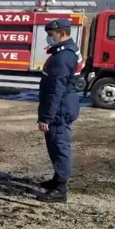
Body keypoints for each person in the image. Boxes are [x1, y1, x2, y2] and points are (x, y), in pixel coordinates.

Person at [37, 18, 82, 203]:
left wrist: (46, 118)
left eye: (50, 35)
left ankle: (60, 190)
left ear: (61, 33)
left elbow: (56, 89)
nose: (49, 38)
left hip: (60, 109)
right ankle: (57, 179)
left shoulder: (63, 57)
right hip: (64, 105)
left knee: (59, 146)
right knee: (56, 144)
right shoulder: (68, 51)